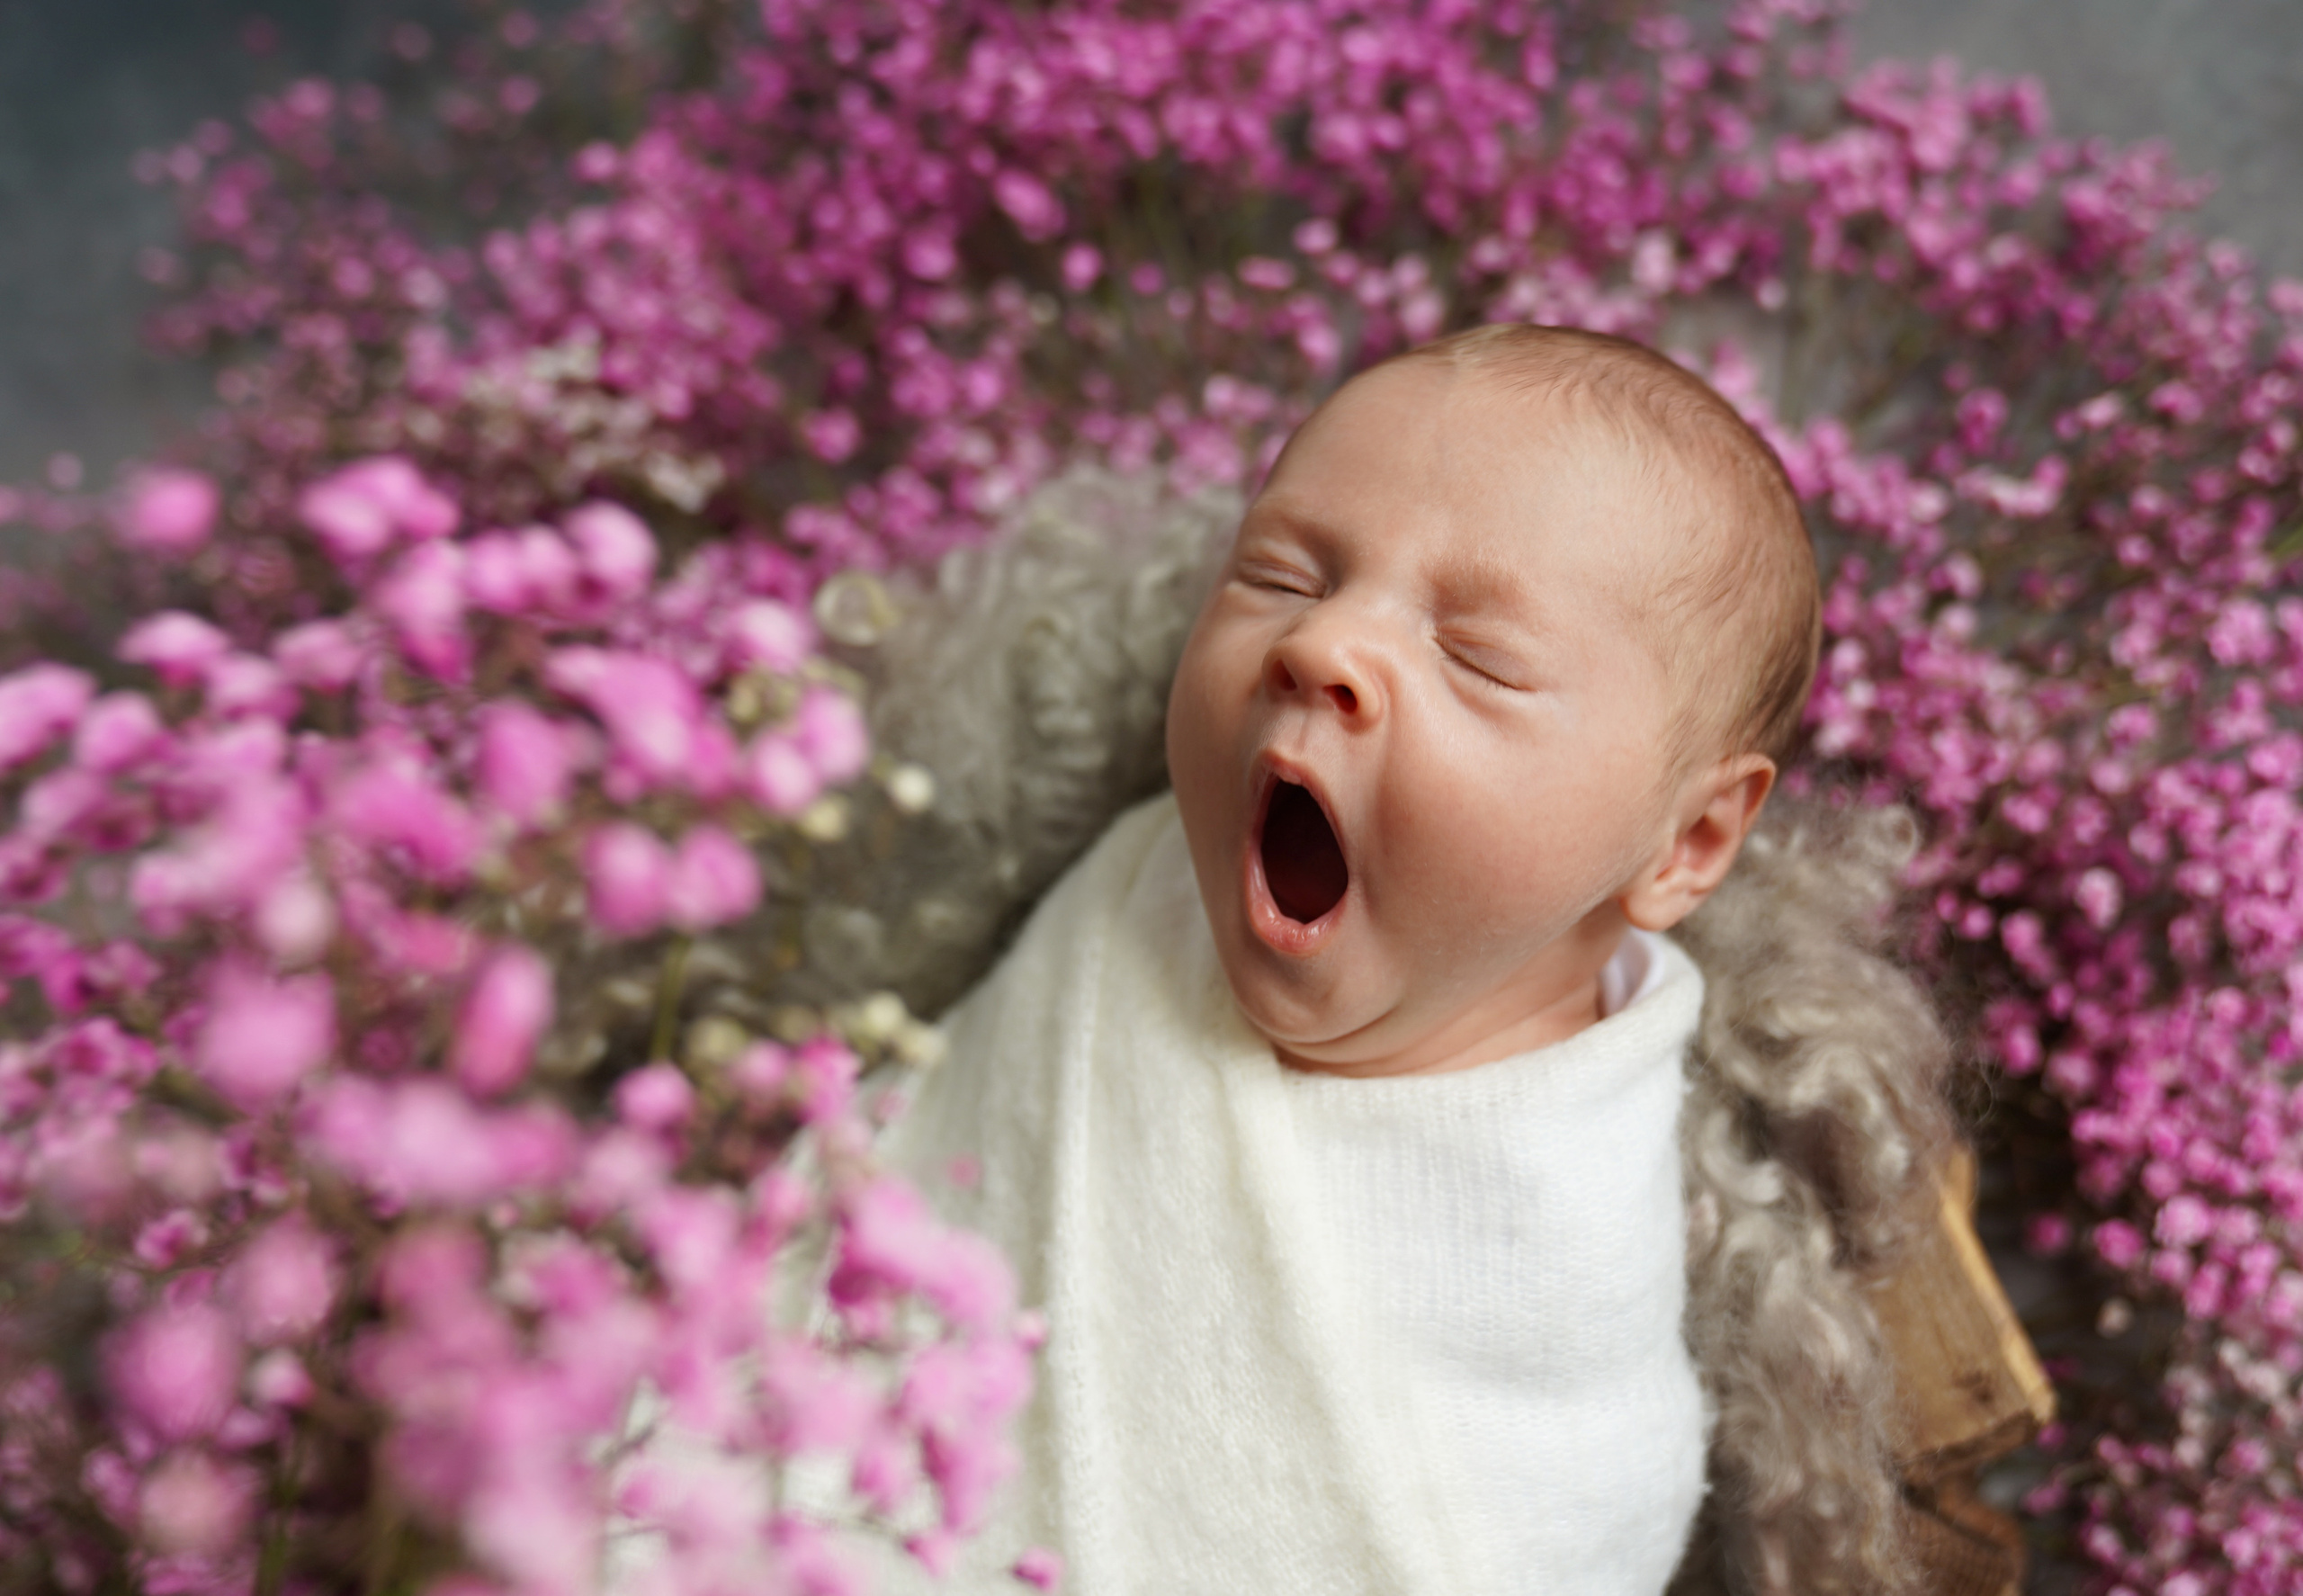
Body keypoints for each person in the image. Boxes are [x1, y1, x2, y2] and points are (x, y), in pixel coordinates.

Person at [876, 324, 1954, 1595]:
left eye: (1477, 655)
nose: (1320, 646)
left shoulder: (1561, 1292)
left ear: (1687, 840)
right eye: (1280, 576)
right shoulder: (1140, 889)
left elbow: (1555, 1532)